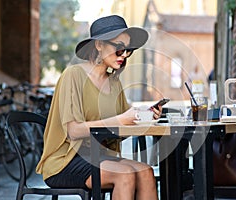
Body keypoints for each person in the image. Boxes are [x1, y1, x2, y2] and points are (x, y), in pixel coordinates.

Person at [36, 15, 161, 200]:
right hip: (66, 160)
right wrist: (120, 120)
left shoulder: (114, 83)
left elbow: (119, 128)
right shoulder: (74, 75)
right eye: (119, 48)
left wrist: (144, 116)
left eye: (128, 50)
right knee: (125, 175)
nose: (124, 55)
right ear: (99, 45)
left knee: (146, 173)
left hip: (99, 156)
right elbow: (73, 131)